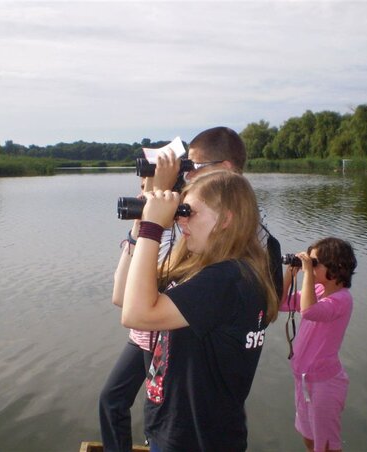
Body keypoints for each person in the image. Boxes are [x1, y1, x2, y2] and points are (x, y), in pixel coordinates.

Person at [99, 126, 283, 451]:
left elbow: (136, 313)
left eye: (189, 213)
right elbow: (123, 296)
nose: (182, 221)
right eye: (181, 213)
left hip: (195, 440)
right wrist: (142, 223)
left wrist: (155, 227)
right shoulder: (203, 266)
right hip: (170, 429)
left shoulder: (228, 278)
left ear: (225, 220)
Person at [279, 237, 357, 452]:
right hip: (304, 381)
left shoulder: (342, 300)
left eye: (314, 263)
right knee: (309, 437)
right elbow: (281, 303)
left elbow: (309, 311)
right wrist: (291, 273)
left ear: (336, 267)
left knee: (327, 445)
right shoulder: (319, 292)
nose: (309, 268)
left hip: (325, 385)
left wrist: (306, 273)